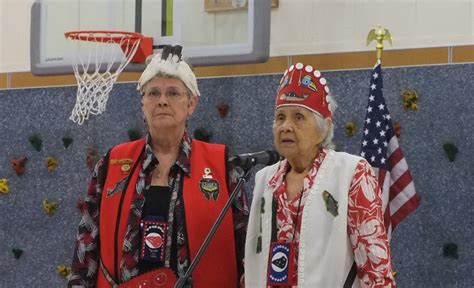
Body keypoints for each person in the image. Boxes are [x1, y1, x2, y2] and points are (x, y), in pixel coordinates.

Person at [68, 45, 248, 288]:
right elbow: (86, 247)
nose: (162, 101)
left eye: (173, 93)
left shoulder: (224, 166)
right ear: (143, 104)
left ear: (191, 104)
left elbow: (246, 250)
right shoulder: (111, 165)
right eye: (153, 93)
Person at [244, 63, 396, 287]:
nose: (285, 126)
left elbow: (376, 269)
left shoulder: (351, 173)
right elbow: (252, 261)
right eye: (280, 117)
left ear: (323, 128)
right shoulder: (265, 179)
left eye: (298, 117)